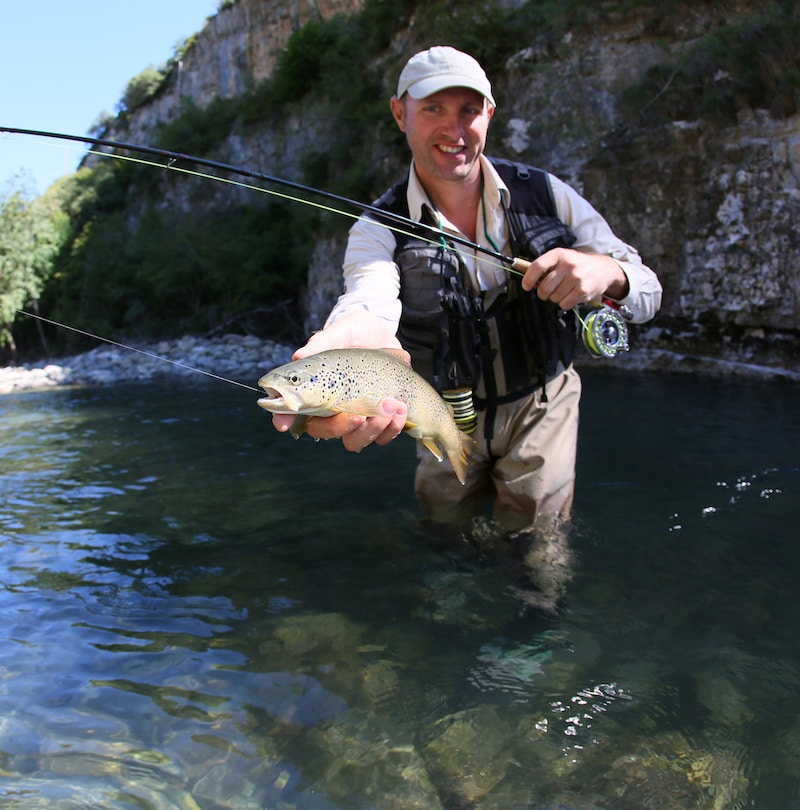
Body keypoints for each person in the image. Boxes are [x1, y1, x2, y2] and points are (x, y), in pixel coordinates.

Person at [272, 46, 662, 537]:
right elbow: (368, 296)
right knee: (442, 531)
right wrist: (358, 331)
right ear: (400, 113)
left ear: (490, 115)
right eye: (433, 108)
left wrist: (606, 271)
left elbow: (649, 292)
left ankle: (534, 609)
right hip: (442, 403)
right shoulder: (376, 230)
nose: (453, 131)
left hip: (545, 401)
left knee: (537, 545)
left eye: (468, 111)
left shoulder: (547, 193)